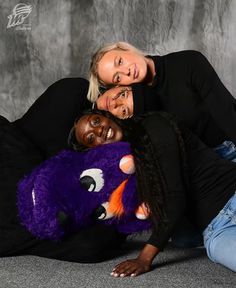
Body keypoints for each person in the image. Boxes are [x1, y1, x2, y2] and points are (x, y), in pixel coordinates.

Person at [69, 109, 236, 276]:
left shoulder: (153, 125)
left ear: (106, 116)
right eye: (91, 138)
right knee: (218, 250)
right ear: (95, 150)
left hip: (232, 193)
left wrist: (144, 258)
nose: (99, 131)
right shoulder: (125, 166)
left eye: (96, 121)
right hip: (216, 229)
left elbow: (175, 198)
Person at [0, 78, 126, 262]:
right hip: (18, 165)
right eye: (95, 121)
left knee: (93, 243)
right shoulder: (72, 93)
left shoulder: (112, 162)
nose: (99, 130)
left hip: (37, 209)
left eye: (125, 108)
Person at [88, 42, 236, 149]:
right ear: (118, 86)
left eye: (120, 61)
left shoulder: (188, 63)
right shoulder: (133, 108)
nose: (126, 71)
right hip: (204, 172)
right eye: (117, 77)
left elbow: (227, 112)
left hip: (230, 144)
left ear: (125, 49)